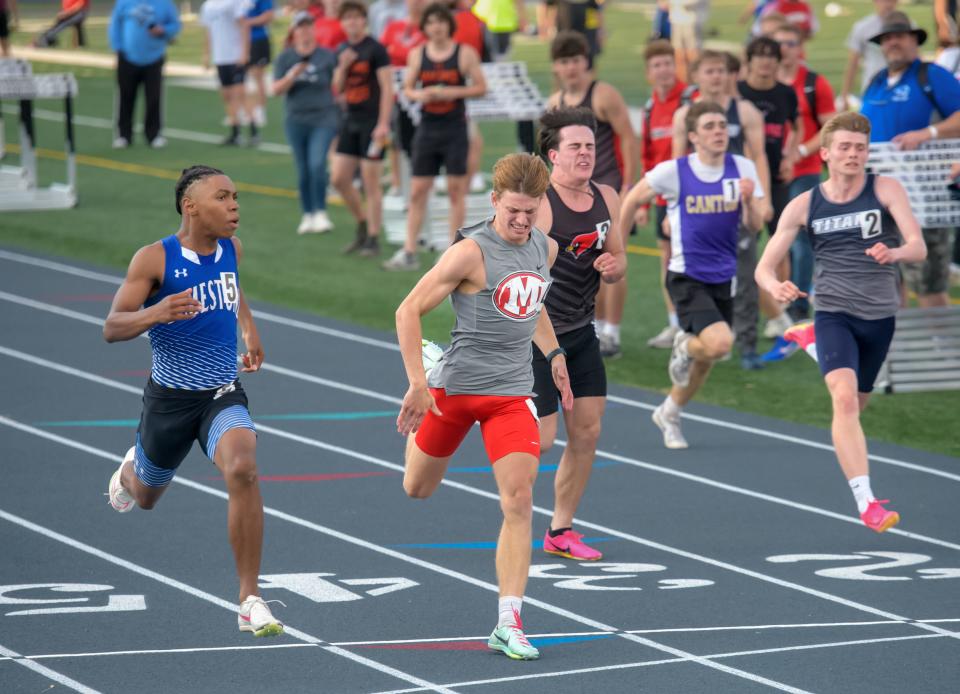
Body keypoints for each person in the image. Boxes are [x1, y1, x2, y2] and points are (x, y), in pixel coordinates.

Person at [395, 152, 572, 661]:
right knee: (417, 488)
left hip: (512, 394)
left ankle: (508, 620)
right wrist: (417, 384)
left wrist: (554, 352)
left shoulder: (546, 248)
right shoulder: (469, 252)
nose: (521, 221)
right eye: (512, 211)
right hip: (453, 390)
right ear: (494, 201)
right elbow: (407, 310)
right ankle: (430, 375)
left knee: (519, 501)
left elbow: (530, 305)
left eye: (530, 211)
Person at [103, 165, 283, 638]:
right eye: (223, 197)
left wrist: (248, 325)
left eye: (236, 196)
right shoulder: (153, 260)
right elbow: (112, 326)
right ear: (191, 206)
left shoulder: (231, 249)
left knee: (243, 466)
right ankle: (129, 469)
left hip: (221, 395)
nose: (234, 206)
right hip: (169, 402)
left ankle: (249, 598)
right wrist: (159, 310)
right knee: (145, 497)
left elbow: (232, 285)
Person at [755, 112, 926, 532]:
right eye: (845, 147)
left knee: (857, 406)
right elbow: (763, 268)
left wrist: (894, 253)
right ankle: (867, 502)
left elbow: (917, 246)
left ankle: (811, 343)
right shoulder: (804, 204)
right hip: (833, 311)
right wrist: (776, 288)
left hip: (880, 318)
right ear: (826, 154)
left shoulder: (885, 189)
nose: (853, 154)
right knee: (844, 400)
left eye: (860, 148)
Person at [621, 101, 765, 449]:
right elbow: (631, 200)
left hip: (724, 276)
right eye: (711, 126)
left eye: (722, 125)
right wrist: (618, 248)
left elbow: (755, 227)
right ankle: (683, 344)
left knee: (710, 358)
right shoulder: (674, 171)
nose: (719, 131)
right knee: (719, 343)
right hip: (687, 275)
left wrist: (748, 202)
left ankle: (669, 411)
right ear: (693, 136)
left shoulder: (742, 166)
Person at [533, 107, 625, 561]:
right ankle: (467, 411)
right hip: (536, 335)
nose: (586, 153)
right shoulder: (541, 205)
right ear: (554, 154)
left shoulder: (608, 196)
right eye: (576, 146)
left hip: (580, 333)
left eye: (590, 145)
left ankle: (559, 530)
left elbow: (620, 260)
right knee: (544, 440)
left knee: (586, 433)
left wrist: (611, 268)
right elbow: (517, 275)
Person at [672, 49, 771, 370]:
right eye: (709, 71)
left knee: (746, 275)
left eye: (721, 70)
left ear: (730, 75)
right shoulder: (685, 115)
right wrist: (670, 211)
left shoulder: (744, 111)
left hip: (737, 203)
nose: (716, 77)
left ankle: (747, 345)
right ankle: (695, 338)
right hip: (697, 208)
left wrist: (762, 198)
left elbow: (758, 158)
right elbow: (675, 165)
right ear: (697, 76)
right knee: (693, 272)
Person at [860, 11, 960, 308]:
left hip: (924, 197)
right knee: (888, 282)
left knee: (929, 284)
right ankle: (899, 349)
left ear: (914, 40)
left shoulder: (930, 75)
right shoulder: (877, 81)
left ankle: (945, 352)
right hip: (880, 197)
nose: (893, 43)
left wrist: (927, 133)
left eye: (899, 36)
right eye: (887, 38)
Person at [547, 31, 638, 358]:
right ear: (556, 67)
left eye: (576, 60)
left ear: (586, 62)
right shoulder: (553, 104)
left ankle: (611, 331)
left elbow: (628, 138)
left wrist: (630, 186)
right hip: (569, 197)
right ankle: (591, 326)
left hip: (608, 190)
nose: (571, 68)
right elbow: (547, 154)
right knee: (580, 260)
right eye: (564, 62)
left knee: (613, 257)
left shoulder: (602, 94)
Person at [383, 2, 487, 271]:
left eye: (441, 21)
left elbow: (481, 87)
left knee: (456, 191)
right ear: (425, 27)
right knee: (418, 191)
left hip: (454, 128)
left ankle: (452, 251)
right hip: (427, 128)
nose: (437, 26)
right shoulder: (418, 54)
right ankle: (409, 250)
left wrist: (452, 93)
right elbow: (407, 88)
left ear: (448, 25)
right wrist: (422, 95)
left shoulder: (464, 53)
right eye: (431, 22)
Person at [772, 21, 835, 330]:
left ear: (801, 48)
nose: (785, 50)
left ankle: (798, 305)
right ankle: (776, 304)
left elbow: (829, 125)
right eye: (779, 44)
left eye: (791, 43)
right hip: (769, 174)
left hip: (804, 170)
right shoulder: (761, 82)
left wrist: (800, 152)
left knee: (800, 240)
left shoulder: (813, 83)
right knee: (770, 240)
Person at [738, 36, 800, 342]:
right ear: (748, 60)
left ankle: (782, 311)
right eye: (759, 55)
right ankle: (753, 312)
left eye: (771, 56)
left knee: (781, 241)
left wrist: (791, 155)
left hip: (776, 178)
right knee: (744, 248)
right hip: (744, 182)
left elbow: (797, 127)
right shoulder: (738, 92)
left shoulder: (785, 93)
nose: (765, 61)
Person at [642, 39, 696, 351]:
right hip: (664, 197)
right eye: (656, 65)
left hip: (692, 196)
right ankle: (675, 323)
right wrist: (645, 200)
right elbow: (648, 156)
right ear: (649, 73)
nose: (663, 70)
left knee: (693, 258)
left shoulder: (690, 97)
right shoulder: (650, 107)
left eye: (667, 63)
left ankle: (697, 324)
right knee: (667, 260)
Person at [331, 0, 394, 257]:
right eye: (348, 19)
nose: (352, 22)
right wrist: (344, 65)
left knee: (371, 184)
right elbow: (338, 87)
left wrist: (383, 124)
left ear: (364, 21)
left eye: (357, 18)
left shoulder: (376, 49)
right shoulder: (343, 49)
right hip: (351, 120)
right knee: (339, 178)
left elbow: (388, 89)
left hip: (372, 123)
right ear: (342, 22)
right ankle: (362, 223)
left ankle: (373, 238)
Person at [272, 10, 340, 234]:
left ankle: (321, 211)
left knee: (317, 164)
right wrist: (292, 74)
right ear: (294, 31)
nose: (305, 31)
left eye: (309, 26)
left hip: (323, 117)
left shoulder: (326, 55)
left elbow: (338, 83)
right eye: (301, 27)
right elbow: (276, 90)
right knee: (303, 169)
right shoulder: (286, 57)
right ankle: (307, 214)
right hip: (296, 119)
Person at [108, 0, 181, 149]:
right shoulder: (124, 2)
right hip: (127, 58)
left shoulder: (165, 4)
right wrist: (117, 49)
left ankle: (154, 135)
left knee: (154, 98)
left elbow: (175, 25)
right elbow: (115, 25)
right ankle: (124, 135)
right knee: (126, 97)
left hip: (154, 58)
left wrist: (164, 30)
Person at [380, 0, 426, 197]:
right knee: (397, 140)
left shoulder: (431, 27)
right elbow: (382, 55)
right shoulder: (394, 27)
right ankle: (398, 181)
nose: (416, 3)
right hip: (397, 93)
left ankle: (424, 178)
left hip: (424, 93)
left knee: (424, 139)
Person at [201, 0, 254, 146]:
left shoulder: (233, 2)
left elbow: (244, 26)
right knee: (227, 96)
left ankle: (253, 130)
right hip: (220, 58)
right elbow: (208, 31)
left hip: (235, 56)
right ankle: (235, 133)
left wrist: (244, 52)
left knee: (241, 94)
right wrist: (207, 54)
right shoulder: (208, 6)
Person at [840, 0, 897, 113]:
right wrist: (845, 95)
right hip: (871, 87)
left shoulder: (908, 27)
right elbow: (853, 64)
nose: (888, 5)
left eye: (892, 0)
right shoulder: (863, 27)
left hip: (900, 88)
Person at [244, 0, 275, 136]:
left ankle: (260, 111)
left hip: (258, 39)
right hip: (242, 40)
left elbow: (268, 16)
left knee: (258, 76)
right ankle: (248, 111)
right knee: (245, 78)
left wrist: (247, 22)